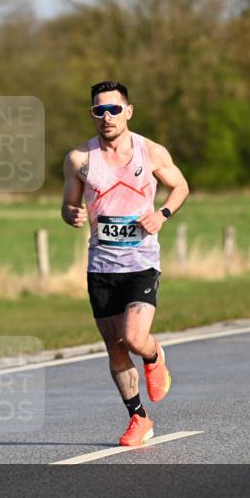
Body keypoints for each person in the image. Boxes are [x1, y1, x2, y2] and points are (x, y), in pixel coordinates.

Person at [61, 80, 190, 446]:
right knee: (115, 346)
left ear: (128, 112)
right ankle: (139, 418)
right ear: (91, 115)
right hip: (101, 267)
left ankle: (153, 354)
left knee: (134, 338)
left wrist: (162, 214)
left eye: (114, 109)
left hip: (140, 262)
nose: (106, 117)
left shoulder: (151, 153)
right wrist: (71, 213)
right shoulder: (80, 160)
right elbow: (68, 204)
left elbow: (180, 186)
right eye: (98, 111)